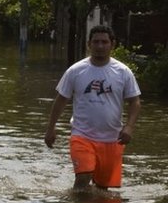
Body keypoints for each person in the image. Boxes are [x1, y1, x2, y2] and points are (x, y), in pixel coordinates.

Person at [44, 25, 141, 191]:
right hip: (82, 135)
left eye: (104, 42)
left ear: (112, 44)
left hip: (112, 139)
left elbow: (135, 102)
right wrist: (50, 128)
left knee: (103, 189)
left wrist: (129, 127)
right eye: (96, 42)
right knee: (83, 177)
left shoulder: (123, 72)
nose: (100, 46)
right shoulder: (75, 71)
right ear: (89, 44)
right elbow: (61, 100)